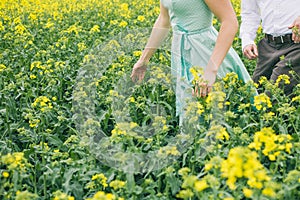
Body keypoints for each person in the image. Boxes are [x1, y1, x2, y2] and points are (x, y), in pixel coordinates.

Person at [131, 0, 252, 123]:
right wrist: (143, 60)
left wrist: (211, 71)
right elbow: (164, 20)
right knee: (190, 119)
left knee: (215, 120)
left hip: (206, 55)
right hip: (181, 54)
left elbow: (230, 21)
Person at [240, 0, 300, 97]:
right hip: (267, 46)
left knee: (273, 95)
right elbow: (250, 13)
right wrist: (247, 40)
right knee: (255, 93)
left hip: (296, 43)